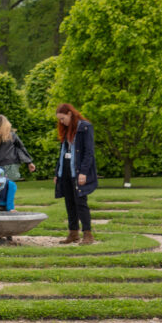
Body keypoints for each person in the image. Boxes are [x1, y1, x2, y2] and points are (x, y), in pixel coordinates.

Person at [53, 103, 97, 244]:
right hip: (65, 170)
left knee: (80, 202)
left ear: (70, 114)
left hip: (78, 170)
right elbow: (62, 152)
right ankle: (73, 233)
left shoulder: (85, 127)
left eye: (63, 118)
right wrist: (57, 173)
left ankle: (88, 234)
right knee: (69, 202)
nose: (61, 122)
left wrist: (83, 172)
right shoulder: (66, 130)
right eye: (59, 119)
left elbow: (89, 152)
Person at [0, 114, 36, 181]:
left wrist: (29, 162)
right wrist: (29, 162)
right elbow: (21, 148)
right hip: (12, 164)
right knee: (8, 185)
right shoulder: (12, 136)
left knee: (0, 186)